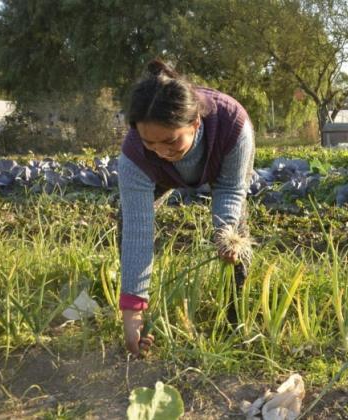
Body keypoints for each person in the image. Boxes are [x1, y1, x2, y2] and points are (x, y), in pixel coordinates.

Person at [117, 58, 255, 357]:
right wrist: (132, 310)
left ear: (195, 123)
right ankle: (142, 319)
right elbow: (139, 232)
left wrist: (224, 234)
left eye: (170, 141)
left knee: (236, 241)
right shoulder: (135, 155)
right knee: (127, 224)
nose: (160, 151)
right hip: (159, 178)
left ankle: (235, 323)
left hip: (219, 170)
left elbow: (231, 188)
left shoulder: (233, 126)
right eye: (150, 143)